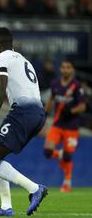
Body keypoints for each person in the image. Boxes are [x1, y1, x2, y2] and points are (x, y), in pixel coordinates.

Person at [0, 27, 47, 217]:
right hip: (38, 114)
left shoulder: (0, 58)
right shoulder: (24, 60)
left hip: (23, 112)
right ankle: (6, 207)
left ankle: (34, 189)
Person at [43, 61, 86, 192]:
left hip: (71, 126)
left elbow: (83, 106)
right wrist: (44, 114)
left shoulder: (77, 86)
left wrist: (71, 111)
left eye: (68, 67)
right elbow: (51, 98)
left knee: (67, 156)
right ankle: (60, 153)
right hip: (57, 124)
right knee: (47, 152)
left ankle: (67, 182)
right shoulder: (55, 83)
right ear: (60, 69)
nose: (65, 70)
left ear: (72, 70)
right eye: (63, 67)